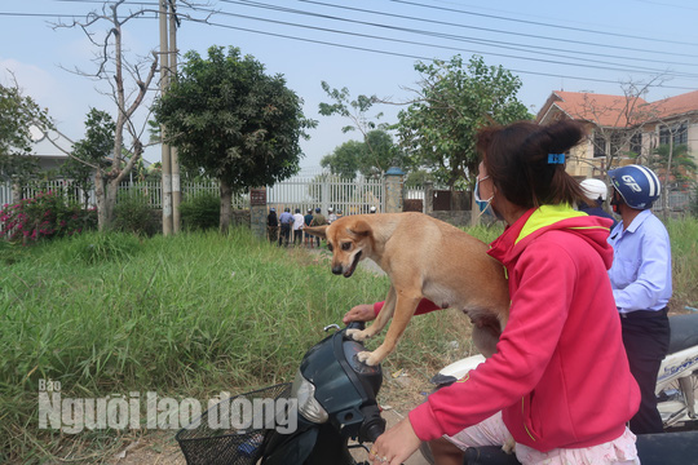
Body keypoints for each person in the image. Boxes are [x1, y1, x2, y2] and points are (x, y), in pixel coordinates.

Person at [353, 120, 640, 465]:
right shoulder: (529, 239)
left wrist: (416, 423)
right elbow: (465, 286)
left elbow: (518, 364)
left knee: (432, 425)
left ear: (499, 185)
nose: (479, 184)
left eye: (481, 176)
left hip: (572, 443)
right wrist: (380, 308)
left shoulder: (551, 253)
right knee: (444, 435)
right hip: (537, 415)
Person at [607, 164, 672, 435]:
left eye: (616, 190)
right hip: (618, 322)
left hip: (643, 328)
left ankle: (657, 452)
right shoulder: (619, 230)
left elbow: (651, 288)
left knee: (639, 401)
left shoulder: (651, 233)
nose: (612, 194)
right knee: (612, 395)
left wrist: (605, 302)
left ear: (625, 196)